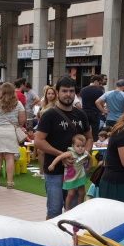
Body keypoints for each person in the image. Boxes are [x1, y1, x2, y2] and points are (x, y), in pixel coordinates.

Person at [34, 77, 92, 218]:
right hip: (55, 171)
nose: (68, 94)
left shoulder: (81, 114)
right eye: (64, 91)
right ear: (57, 92)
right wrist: (62, 155)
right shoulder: (49, 115)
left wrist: (84, 154)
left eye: (71, 91)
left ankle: (72, 237)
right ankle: (52, 239)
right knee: (54, 210)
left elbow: (89, 138)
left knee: (74, 210)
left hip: (76, 171)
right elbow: (38, 141)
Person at [0, 82, 27, 189]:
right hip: (11, 132)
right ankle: (10, 182)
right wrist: (17, 125)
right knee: (10, 158)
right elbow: (22, 120)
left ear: (1, 91)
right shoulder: (18, 104)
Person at [48, 133, 91, 209]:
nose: (80, 148)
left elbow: (90, 157)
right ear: (73, 146)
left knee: (82, 192)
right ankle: (67, 209)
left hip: (80, 175)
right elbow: (60, 157)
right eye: (78, 146)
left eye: (83, 146)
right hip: (71, 177)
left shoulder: (85, 153)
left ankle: (79, 207)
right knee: (71, 193)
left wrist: (89, 165)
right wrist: (52, 164)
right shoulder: (70, 153)